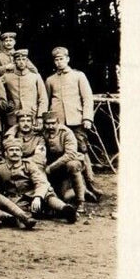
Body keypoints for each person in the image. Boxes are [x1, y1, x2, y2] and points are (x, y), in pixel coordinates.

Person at [0, 137, 77, 224]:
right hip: (16, 199)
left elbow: (40, 182)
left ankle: (65, 209)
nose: (15, 153)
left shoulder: (29, 165)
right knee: (13, 208)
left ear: (21, 153)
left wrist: (37, 197)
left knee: (47, 193)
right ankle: (21, 218)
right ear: (6, 154)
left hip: (33, 194)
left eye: (17, 150)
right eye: (11, 150)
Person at [44, 46, 96, 182]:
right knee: (61, 151)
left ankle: (89, 181)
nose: (58, 62)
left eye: (61, 59)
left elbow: (87, 98)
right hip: (58, 122)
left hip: (76, 119)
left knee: (82, 148)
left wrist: (87, 118)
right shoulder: (50, 80)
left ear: (67, 59)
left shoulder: (78, 75)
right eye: (56, 60)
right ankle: (66, 182)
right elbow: (47, 100)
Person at [40, 111, 92, 212]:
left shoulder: (66, 132)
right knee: (63, 198)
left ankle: (81, 201)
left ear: (58, 122)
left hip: (67, 163)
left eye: (53, 123)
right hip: (53, 167)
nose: (50, 126)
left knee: (72, 165)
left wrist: (51, 168)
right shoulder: (43, 132)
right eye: (47, 123)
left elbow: (70, 154)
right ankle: (83, 190)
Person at [0, 48, 48, 128]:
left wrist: (40, 116)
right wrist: (7, 103)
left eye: (24, 59)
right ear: (14, 61)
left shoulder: (35, 76)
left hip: (32, 115)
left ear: (27, 61)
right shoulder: (7, 77)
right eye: (18, 59)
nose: (21, 62)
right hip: (13, 116)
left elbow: (43, 98)